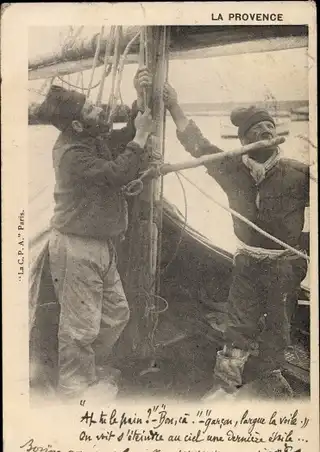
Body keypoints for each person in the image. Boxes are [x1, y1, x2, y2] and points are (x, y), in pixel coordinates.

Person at [163, 83, 310, 399]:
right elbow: (197, 144)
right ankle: (226, 385)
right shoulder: (229, 167)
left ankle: (270, 377)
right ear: (243, 141)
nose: (265, 132)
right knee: (238, 326)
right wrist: (174, 106)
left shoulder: (299, 173)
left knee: (279, 327)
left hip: (286, 264)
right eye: (257, 129)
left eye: (269, 127)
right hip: (247, 261)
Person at [34, 68, 154, 400]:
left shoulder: (91, 138)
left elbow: (124, 137)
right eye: (90, 110)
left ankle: (89, 370)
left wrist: (140, 98)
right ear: (75, 125)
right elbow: (117, 172)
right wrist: (141, 140)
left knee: (116, 314)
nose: (99, 111)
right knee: (80, 328)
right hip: (77, 247)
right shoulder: (72, 154)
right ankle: (74, 390)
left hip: (100, 243)